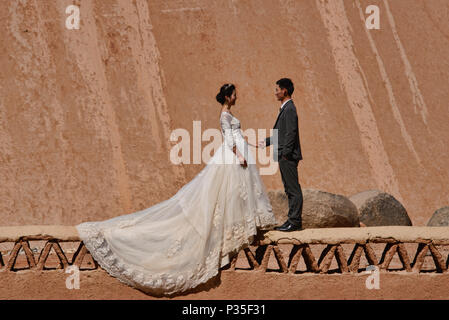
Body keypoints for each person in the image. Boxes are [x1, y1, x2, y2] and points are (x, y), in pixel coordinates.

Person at [75, 83, 277, 296]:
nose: (237, 97)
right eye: (234, 94)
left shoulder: (230, 114)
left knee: (234, 194)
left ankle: (239, 227)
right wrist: (239, 155)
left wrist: (253, 145)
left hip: (238, 154)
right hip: (232, 158)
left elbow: (237, 136)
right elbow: (229, 139)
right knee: (225, 194)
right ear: (228, 97)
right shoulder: (225, 115)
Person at [258, 78, 304, 232]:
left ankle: (295, 222)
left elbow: (291, 133)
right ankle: (291, 220)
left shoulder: (290, 108)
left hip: (287, 156)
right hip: (284, 154)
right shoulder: (286, 108)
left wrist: (285, 154)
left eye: (277, 89)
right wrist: (265, 142)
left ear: (284, 90)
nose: (275, 92)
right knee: (289, 188)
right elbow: (282, 134)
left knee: (293, 189)